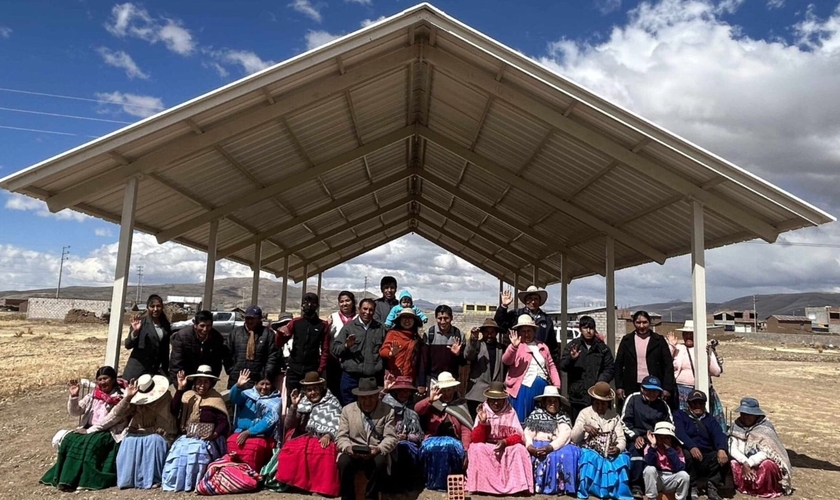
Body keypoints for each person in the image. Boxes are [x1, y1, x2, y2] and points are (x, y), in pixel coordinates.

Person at [41, 366, 127, 491]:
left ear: (113, 379)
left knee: (91, 443)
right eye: (99, 379)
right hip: (89, 428)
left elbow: (111, 419)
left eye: (105, 378)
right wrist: (74, 397)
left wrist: (88, 431)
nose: (102, 382)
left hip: (109, 431)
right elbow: (76, 411)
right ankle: (64, 478)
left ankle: (85, 480)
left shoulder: (121, 397)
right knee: (69, 439)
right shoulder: (94, 395)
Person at [273, 371, 342, 497]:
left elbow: (338, 425)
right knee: (292, 448)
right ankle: (295, 483)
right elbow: (289, 424)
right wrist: (293, 406)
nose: (312, 393)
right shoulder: (303, 402)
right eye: (309, 390)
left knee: (324, 451)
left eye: (315, 389)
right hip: (303, 436)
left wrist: (329, 435)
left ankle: (321, 488)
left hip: (323, 437)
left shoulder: (332, 403)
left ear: (321, 388)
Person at [162, 365, 230, 492]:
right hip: (188, 435)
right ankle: (179, 483)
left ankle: (195, 483)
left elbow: (223, 422)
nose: (202, 385)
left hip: (208, 438)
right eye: (199, 382)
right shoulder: (188, 395)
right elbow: (174, 409)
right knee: (179, 451)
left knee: (198, 450)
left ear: (211, 384)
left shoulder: (216, 399)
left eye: (205, 382)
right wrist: (180, 389)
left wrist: (214, 434)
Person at [466, 381, 534, 495]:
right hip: (487, 446)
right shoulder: (483, 410)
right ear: (488, 399)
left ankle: (518, 486)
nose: (496, 403)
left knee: (520, 450)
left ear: (504, 399)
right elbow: (476, 439)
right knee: (476, 448)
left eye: (499, 399)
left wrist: (505, 442)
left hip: (506, 446)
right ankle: (483, 486)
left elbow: (518, 436)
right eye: (493, 399)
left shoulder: (510, 412)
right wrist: (483, 423)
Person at [335, 377, 398, 500]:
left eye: (371, 397)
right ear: (358, 397)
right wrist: (348, 448)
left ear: (377, 396)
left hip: (375, 452)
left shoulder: (387, 411)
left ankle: (371, 496)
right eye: (364, 398)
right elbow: (341, 436)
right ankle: (348, 496)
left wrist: (378, 449)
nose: (367, 401)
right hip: (353, 451)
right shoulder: (347, 410)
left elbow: (391, 438)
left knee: (380, 462)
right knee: (343, 462)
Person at [113, 374, 178, 489]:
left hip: (160, 435)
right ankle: (129, 480)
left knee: (154, 441)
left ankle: (153, 478)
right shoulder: (135, 399)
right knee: (128, 441)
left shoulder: (164, 398)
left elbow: (164, 428)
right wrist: (127, 398)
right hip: (138, 433)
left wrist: (143, 429)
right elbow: (118, 414)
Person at [571, 381, 632, 500]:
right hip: (590, 449)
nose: (600, 407)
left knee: (623, 459)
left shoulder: (614, 416)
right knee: (589, 457)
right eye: (597, 403)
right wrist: (584, 428)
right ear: (593, 401)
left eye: (603, 404)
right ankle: (587, 489)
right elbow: (574, 437)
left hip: (609, 452)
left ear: (608, 403)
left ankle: (618, 493)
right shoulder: (585, 413)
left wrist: (618, 448)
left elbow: (621, 438)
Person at [415, 371, 473, 490]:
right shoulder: (433, 402)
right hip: (432, 438)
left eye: (449, 390)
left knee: (448, 446)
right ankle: (432, 481)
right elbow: (417, 409)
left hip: (454, 440)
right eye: (444, 390)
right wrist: (430, 400)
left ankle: (448, 483)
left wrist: (466, 450)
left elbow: (465, 430)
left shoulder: (460, 404)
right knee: (431, 448)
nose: (447, 394)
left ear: (454, 389)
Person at [666, 321, 726, 430]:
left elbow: (716, 372)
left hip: (700, 391)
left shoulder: (705, 349)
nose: (688, 336)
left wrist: (708, 353)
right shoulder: (678, 348)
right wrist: (671, 346)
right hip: (680, 393)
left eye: (691, 334)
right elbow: (665, 363)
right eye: (686, 334)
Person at [728, 397, 792, 497]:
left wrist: (750, 463)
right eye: (743, 414)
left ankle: (765, 490)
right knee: (733, 463)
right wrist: (744, 462)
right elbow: (732, 448)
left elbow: (767, 451)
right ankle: (745, 488)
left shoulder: (765, 428)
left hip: (759, 460)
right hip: (744, 461)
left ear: (756, 414)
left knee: (767, 465)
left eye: (749, 414)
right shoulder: (737, 425)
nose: (745, 417)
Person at [622, 375, 674, 498]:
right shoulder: (633, 399)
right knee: (637, 451)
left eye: (655, 390)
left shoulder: (663, 405)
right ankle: (636, 486)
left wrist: (660, 439)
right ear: (642, 389)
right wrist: (635, 437)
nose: (652, 393)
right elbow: (624, 423)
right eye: (649, 389)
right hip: (636, 436)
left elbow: (669, 424)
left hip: (657, 438)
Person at [503, 314, 562, 422]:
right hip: (523, 389)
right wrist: (513, 347)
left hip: (542, 389)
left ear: (534, 331)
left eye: (529, 331)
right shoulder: (516, 346)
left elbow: (551, 365)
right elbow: (506, 360)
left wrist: (556, 385)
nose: (526, 334)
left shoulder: (542, 346)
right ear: (518, 332)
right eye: (523, 331)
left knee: (541, 420)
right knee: (523, 419)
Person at [524, 385, 581, 495]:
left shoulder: (563, 416)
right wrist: (530, 447)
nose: (552, 404)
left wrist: (550, 447)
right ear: (544, 403)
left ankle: (562, 487)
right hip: (538, 443)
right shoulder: (536, 415)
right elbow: (528, 433)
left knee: (566, 454)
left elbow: (565, 435)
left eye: (555, 401)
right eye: (549, 401)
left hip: (556, 445)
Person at [674, 390, 729, 500]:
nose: (697, 406)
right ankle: (692, 486)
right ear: (689, 404)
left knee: (721, 456)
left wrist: (722, 449)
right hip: (688, 450)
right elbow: (680, 432)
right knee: (686, 455)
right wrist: (692, 446)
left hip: (706, 452)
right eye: (694, 403)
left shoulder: (710, 419)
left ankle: (712, 485)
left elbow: (719, 434)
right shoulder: (680, 415)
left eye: (701, 403)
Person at [614, 310, 676, 408]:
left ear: (650, 323)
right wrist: (619, 386)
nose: (641, 326)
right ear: (633, 323)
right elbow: (618, 365)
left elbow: (668, 365)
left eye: (644, 322)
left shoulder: (659, 340)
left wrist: (667, 387)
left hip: (654, 385)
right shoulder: (627, 340)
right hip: (631, 386)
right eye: (638, 323)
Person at [560, 314, 615, 422]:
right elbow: (563, 366)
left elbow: (610, 368)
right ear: (580, 329)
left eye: (591, 328)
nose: (588, 331)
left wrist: (600, 383)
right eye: (585, 328)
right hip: (578, 397)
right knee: (578, 427)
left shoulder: (602, 348)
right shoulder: (573, 346)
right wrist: (572, 359)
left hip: (598, 397)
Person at [331, 298, 386, 404]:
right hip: (351, 378)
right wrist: (346, 345)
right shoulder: (349, 328)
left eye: (371, 310)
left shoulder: (380, 329)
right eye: (365, 309)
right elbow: (335, 350)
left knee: (371, 408)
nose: (367, 312)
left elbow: (385, 350)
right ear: (359, 309)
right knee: (349, 407)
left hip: (372, 379)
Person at [275, 293, 331, 393]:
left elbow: (325, 350)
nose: (308, 306)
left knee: (311, 398)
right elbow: (279, 343)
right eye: (306, 303)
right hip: (294, 369)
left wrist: (319, 370)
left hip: (312, 370)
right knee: (292, 399)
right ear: (301, 306)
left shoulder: (323, 325)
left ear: (317, 306)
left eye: (312, 303)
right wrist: (280, 334)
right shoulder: (295, 322)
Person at [227, 369, 281, 471]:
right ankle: (233, 474)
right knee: (231, 443)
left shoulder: (276, 401)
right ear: (256, 384)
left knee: (254, 448)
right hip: (240, 432)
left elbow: (269, 421)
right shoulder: (247, 395)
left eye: (267, 384)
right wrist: (238, 386)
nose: (264, 387)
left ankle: (251, 475)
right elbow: (234, 399)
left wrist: (250, 432)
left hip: (262, 436)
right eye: (261, 383)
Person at [495, 285, 559, 364]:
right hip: (518, 359)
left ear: (539, 301)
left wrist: (553, 365)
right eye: (530, 299)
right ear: (525, 301)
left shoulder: (546, 320)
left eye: (536, 299)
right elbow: (499, 324)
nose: (533, 301)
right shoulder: (516, 314)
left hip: (540, 360)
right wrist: (503, 306)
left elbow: (552, 345)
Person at [382, 376, 424, 492]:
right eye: (401, 390)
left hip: (406, 443)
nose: (404, 394)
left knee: (404, 449)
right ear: (395, 391)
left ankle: (405, 486)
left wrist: (407, 437)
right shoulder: (385, 406)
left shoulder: (412, 412)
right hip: (386, 440)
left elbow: (419, 436)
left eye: (406, 391)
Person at [168, 310, 230, 386]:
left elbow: (216, 364)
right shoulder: (182, 336)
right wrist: (178, 384)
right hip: (186, 378)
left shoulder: (217, 338)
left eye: (208, 326)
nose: (205, 329)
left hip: (205, 380)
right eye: (202, 326)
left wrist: (211, 383)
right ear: (195, 325)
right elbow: (176, 363)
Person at [226, 305, 278, 390]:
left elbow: (272, 356)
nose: (250, 321)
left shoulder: (268, 334)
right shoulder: (235, 333)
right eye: (247, 318)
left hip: (258, 380)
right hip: (237, 378)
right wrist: (231, 370)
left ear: (259, 319)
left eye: (253, 318)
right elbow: (227, 354)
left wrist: (266, 374)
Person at [123, 294, 172, 381]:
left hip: (153, 371)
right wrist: (135, 332)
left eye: (158, 306)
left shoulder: (165, 325)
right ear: (147, 307)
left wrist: (165, 371)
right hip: (137, 371)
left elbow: (165, 350)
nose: (155, 309)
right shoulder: (140, 323)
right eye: (152, 306)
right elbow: (128, 345)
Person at [418, 304, 464, 393]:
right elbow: (423, 360)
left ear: (451, 318)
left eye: (446, 318)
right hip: (433, 379)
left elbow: (463, 362)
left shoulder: (459, 335)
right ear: (436, 318)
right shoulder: (429, 334)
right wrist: (422, 383)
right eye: (440, 318)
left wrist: (458, 354)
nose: (443, 322)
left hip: (451, 380)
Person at [464, 318, 506, 415]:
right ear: (482, 333)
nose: (489, 335)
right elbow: (468, 355)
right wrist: (473, 339)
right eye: (486, 332)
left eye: (492, 332)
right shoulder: (477, 345)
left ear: (496, 333)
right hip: (477, 394)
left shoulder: (502, 348)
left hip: (495, 394)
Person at [643, 422, 690, 500]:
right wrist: (653, 446)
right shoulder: (650, 447)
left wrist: (669, 449)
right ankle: (651, 498)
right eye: (660, 437)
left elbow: (680, 467)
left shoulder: (677, 449)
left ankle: (681, 498)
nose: (662, 440)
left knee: (684, 475)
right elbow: (649, 462)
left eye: (666, 437)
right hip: (657, 478)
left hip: (671, 477)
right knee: (649, 469)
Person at [327, 291, 357, 401]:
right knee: (334, 391)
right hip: (334, 361)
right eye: (341, 301)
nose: (344, 304)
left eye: (347, 301)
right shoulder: (333, 317)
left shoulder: (358, 318)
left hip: (353, 361)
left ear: (353, 302)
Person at [380, 307, 423, 383]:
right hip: (393, 377)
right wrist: (391, 353)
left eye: (410, 318)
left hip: (410, 379)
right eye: (404, 317)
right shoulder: (392, 334)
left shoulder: (416, 338)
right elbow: (383, 351)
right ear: (399, 320)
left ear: (414, 321)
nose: (407, 320)